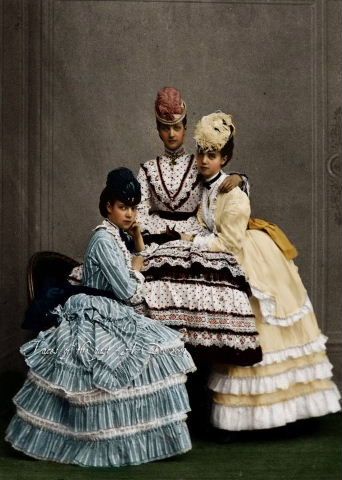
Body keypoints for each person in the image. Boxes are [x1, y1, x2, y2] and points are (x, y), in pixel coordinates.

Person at [6, 168, 196, 467]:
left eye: (133, 208)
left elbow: (137, 261)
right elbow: (128, 292)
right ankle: (103, 438)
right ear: (109, 206)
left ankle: (137, 439)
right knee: (122, 358)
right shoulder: (104, 240)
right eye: (123, 207)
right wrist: (136, 269)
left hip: (107, 308)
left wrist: (135, 239)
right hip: (95, 310)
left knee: (156, 349)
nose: (130, 214)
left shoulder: (116, 236)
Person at [185, 111, 341, 432]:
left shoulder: (234, 193)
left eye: (211, 155)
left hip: (247, 259)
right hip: (221, 255)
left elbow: (228, 242)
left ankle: (277, 413)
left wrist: (192, 242)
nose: (203, 160)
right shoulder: (202, 187)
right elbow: (200, 218)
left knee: (261, 331)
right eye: (201, 152)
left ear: (224, 158)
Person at [137, 86, 249, 238]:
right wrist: (149, 234)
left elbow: (218, 183)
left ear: (185, 129)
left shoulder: (199, 164)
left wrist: (239, 178)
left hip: (192, 232)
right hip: (155, 232)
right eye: (165, 128)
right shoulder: (147, 169)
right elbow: (140, 209)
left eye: (177, 128)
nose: (171, 134)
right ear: (158, 130)